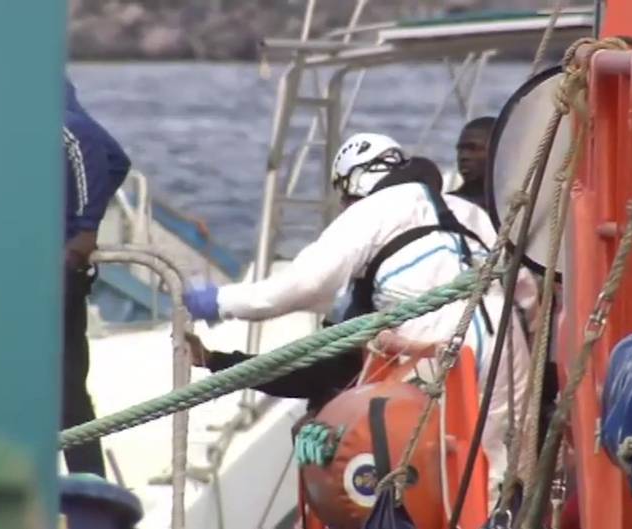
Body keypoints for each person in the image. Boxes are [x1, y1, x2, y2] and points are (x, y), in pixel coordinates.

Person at [183, 132, 536, 500]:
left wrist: (220, 302)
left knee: (428, 478)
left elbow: (304, 285)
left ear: (353, 183)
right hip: (505, 340)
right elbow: (526, 289)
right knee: (501, 479)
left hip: (430, 340)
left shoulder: (372, 211)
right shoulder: (468, 211)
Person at [62, 78, 131, 476]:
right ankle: (89, 488)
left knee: (64, 385)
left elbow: (80, 136)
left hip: (55, 270)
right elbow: (117, 160)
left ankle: (82, 487)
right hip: (62, 269)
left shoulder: (49, 106)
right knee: (69, 387)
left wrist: (82, 232)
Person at [452, 116, 496, 210]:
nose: (463, 156)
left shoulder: (518, 202)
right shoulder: (448, 205)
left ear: (497, 150)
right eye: (460, 150)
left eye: (472, 148)